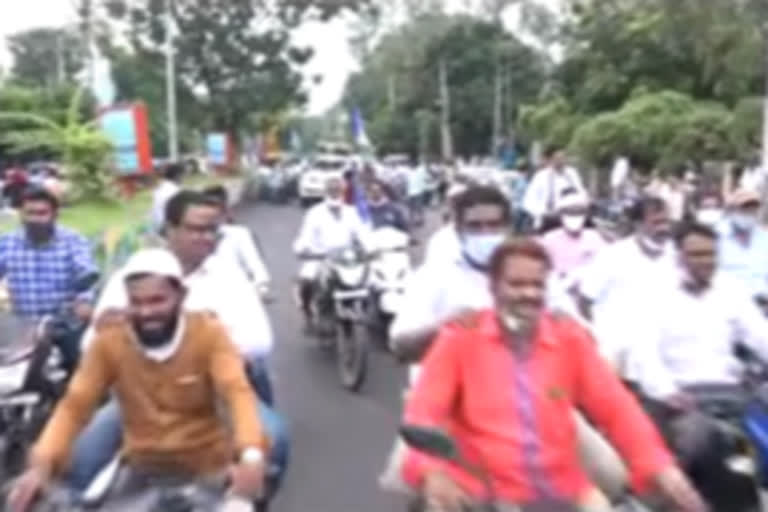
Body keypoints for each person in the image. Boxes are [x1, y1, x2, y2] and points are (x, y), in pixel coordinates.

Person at [401, 239, 706, 512]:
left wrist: (660, 467)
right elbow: (424, 413)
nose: (529, 294)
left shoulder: (568, 338)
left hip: (563, 488)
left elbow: (616, 408)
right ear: (493, 288)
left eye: (537, 285)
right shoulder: (460, 338)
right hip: (484, 490)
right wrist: (433, 472)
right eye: (517, 284)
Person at [8, 250, 267, 512]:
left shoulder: (209, 334)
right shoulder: (110, 342)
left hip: (208, 469)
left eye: (157, 301)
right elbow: (74, 406)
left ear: (181, 296)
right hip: (141, 470)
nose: (146, 312)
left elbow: (237, 393)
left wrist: (251, 456)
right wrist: (41, 463)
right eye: (136, 302)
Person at [71, 192, 287, 498]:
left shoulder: (228, 276)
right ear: (168, 229)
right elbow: (90, 345)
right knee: (82, 458)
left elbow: (259, 340)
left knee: (274, 443)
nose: (207, 237)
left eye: (213, 230)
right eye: (196, 229)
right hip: (140, 396)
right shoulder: (130, 276)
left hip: (215, 396)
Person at [627, 223, 768, 507]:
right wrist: (669, 392)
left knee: (751, 441)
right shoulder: (652, 293)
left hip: (730, 392)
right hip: (679, 397)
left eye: (711, 254)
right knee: (698, 439)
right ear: (678, 256)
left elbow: (760, 335)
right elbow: (643, 354)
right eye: (697, 254)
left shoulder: (731, 290)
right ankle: (664, 501)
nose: (706, 261)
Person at [0, 187, 98, 372]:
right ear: (21, 214)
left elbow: (86, 272)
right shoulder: (7, 244)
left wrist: (84, 301)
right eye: (29, 213)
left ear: (55, 214)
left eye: (42, 213)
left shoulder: (73, 241)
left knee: (82, 371)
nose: (35, 219)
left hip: (66, 325)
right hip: (25, 328)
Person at [578, 196, 678, 372]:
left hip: (664, 360)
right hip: (619, 359)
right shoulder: (612, 256)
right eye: (656, 222)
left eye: (666, 222)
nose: (664, 228)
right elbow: (585, 301)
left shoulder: (676, 256)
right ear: (638, 224)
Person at [293, 176, 371, 325]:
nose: (335, 191)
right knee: (307, 279)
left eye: (338, 188)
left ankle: (362, 311)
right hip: (320, 257)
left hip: (346, 260)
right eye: (331, 188)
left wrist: (370, 248)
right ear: (326, 191)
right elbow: (305, 236)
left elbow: (362, 234)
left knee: (368, 280)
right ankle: (308, 311)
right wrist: (302, 248)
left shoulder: (351, 212)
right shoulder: (314, 213)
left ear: (342, 190)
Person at [202, 185, 272, 297]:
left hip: (237, 296)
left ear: (223, 211)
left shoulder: (239, 234)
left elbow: (256, 265)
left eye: (215, 210)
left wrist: (259, 285)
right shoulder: (194, 237)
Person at [540, 189, 606, 280]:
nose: (574, 216)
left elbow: (603, 268)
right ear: (561, 214)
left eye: (578, 212)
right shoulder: (549, 239)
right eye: (570, 212)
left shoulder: (594, 238)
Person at [715, 188, 768, 300]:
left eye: (753, 209)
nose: (749, 213)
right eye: (744, 209)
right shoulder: (717, 236)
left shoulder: (763, 238)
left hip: (763, 301)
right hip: (729, 301)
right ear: (732, 210)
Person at [522, 146, 587, 231]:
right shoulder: (541, 177)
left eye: (563, 158)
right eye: (558, 158)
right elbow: (528, 202)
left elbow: (581, 192)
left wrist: (585, 202)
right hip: (549, 221)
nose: (562, 161)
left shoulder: (572, 174)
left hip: (573, 218)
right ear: (550, 160)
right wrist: (543, 212)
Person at [150, 162, 184, 233]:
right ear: (178, 175)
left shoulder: (157, 190)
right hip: (166, 230)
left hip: (155, 228)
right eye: (183, 176)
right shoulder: (176, 192)